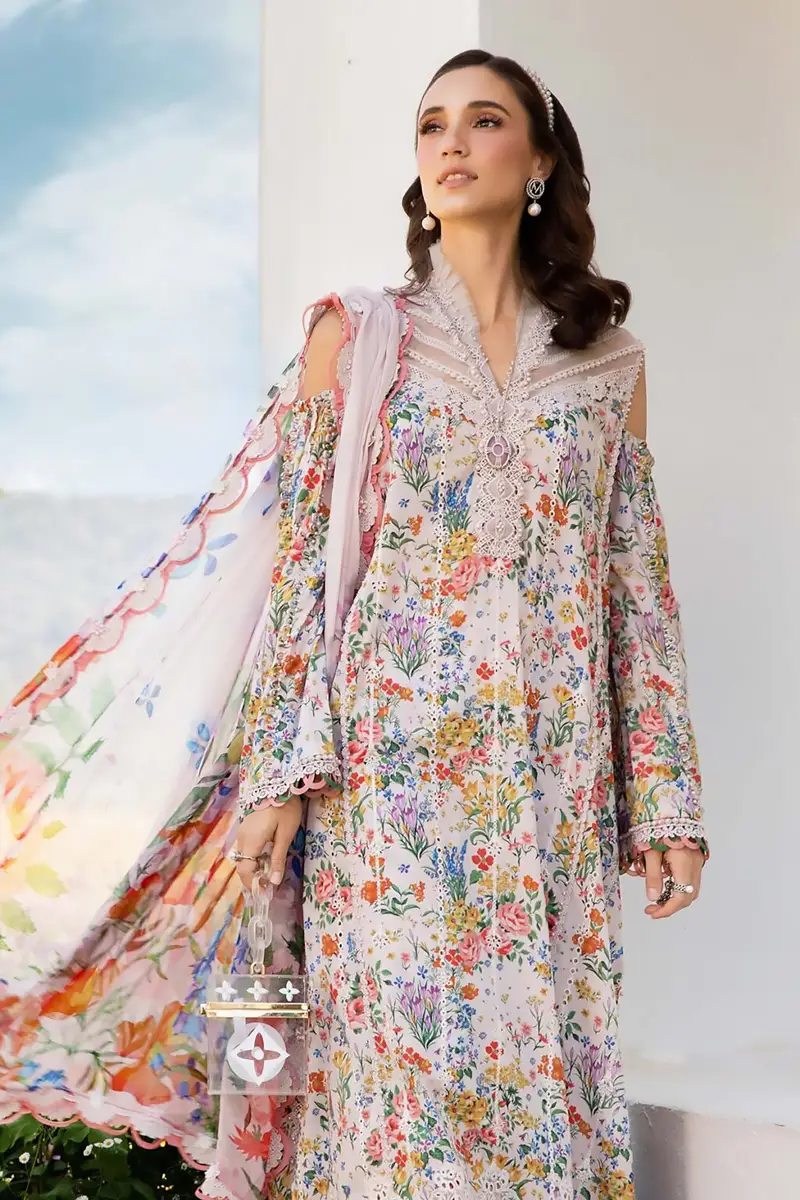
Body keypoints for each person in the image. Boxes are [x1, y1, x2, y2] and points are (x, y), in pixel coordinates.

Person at [0, 48, 706, 1200]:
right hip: (386, 784)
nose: (451, 142)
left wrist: (665, 801)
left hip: (554, 782)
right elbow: (299, 572)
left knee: (544, 1067)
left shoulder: (608, 366)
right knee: (396, 1085)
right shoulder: (359, 334)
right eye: (431, 124)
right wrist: (284, 771)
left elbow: (634, 587)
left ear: (538, 162)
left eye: (483, 121)